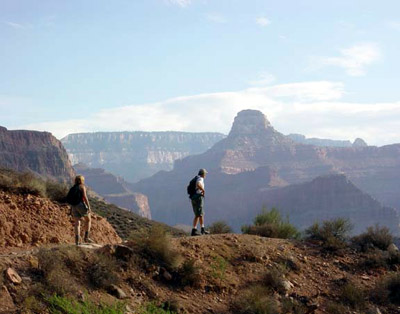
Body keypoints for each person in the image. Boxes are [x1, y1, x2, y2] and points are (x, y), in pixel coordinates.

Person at [70, 175, 93, 245]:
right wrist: (88, 206)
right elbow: (85, 197)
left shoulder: (73, 188)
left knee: (77, 223)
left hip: (73, 206)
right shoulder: (82, 187)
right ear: (82, 180)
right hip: (81, 205)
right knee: (88, 220)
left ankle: (77, 241)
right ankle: (86, 237)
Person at [190, 169, 209, 236]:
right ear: (203, 174)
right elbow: (198, 184)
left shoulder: (196, 178)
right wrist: (203, 190)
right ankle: (195, 230)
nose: (205, 175)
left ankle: (201, 229)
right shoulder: (200, 179)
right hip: (198, 197)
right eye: (205, 174)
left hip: (193, 198)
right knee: (199, 214)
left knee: (199, 214)